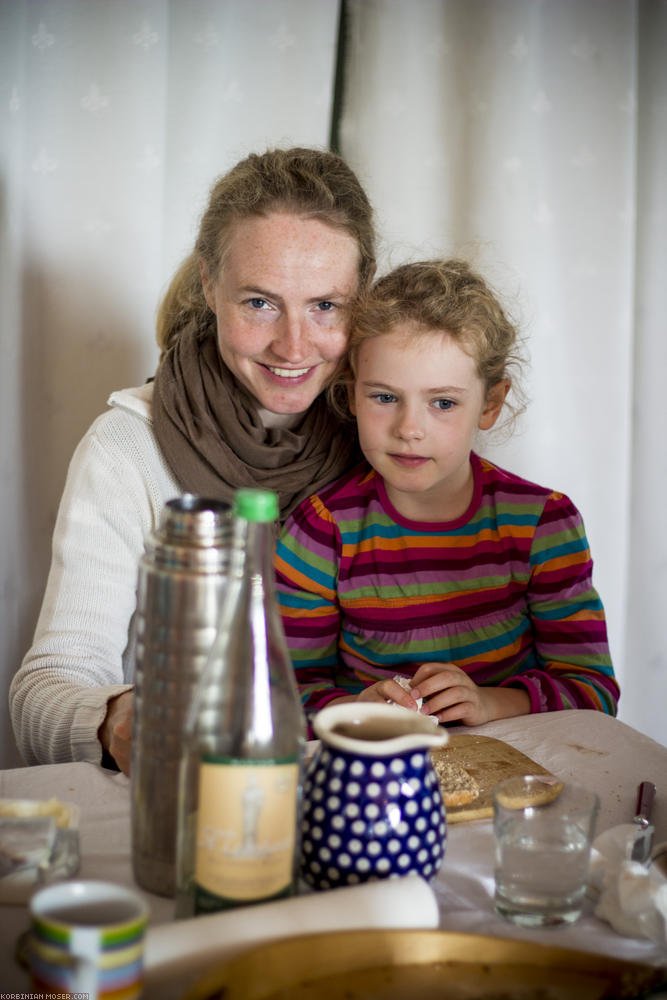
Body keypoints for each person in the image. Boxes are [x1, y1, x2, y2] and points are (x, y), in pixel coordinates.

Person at [10, 147, 377, 775]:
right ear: (209, 283)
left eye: (325, 305)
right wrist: (117, 719)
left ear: (363, 295)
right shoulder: (127, 449)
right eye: (260, 303)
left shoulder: (387, 436)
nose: (293, 345)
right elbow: (43, 691)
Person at [275, 259, 619, 726]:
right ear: (352, 395)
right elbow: (284, 696)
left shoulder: (543, 524)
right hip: (378, 777)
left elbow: (594, 691)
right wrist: (356, 710)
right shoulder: (321, 531)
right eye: (385, 397)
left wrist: (488, 702)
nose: (409, 429)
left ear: (491, 403)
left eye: (443, 403)